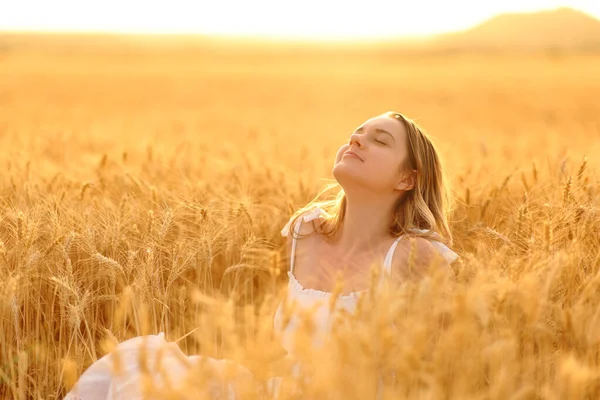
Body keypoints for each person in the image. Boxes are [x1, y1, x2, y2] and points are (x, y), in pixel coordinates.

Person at [64, 111, 459, 399]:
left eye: (380, 140)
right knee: (137, 367)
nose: (356, 140)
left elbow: (446, 368)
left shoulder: (416, 256)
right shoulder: (306, 232)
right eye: (357, 133)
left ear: (407, 179)